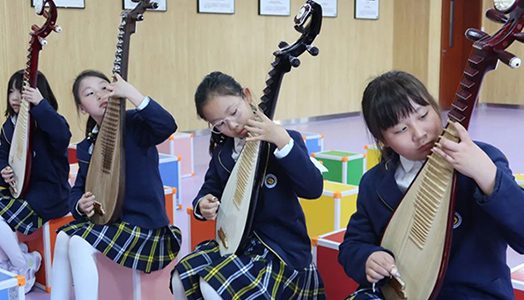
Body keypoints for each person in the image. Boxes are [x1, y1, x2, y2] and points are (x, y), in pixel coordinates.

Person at [338, 70, 524, 299]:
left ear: (436, 109)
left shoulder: (484, 158)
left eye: (423, 115)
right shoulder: (375, 183)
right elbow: (352, 245)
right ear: (383, 140)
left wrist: (486, 175)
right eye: (401, 130)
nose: (419, 134)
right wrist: (367, 257)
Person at [171, 71, 326, 300]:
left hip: (280, 251)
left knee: (212, 288)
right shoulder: (224, 153)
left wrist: (282, 141)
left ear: (247, 96)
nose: (232, 126)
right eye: (219, 124)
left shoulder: (282, 140)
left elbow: (313, 188)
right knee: (180, 278)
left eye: (233, 112)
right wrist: (203, 203)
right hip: (236, 243)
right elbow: (210, 187)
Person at [50, 70, 181, 300]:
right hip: (111, 223)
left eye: (104, 87)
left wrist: (131, 93)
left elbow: (167, 125)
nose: (100, 95)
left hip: (145, 228)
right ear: (82, 108)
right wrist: (81, 205)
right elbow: (77, 191)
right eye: (90, 93)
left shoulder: (134, 124)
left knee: (79, 244)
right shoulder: (87, 146)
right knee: (62, 238)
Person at [0, 70, 71, 293]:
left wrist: (40, 105)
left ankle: (22, 263)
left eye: (21, 91)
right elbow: (2, 156)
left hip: (50, 195)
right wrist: (3, 170)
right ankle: (14, 260)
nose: (14, 97)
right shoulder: (8, 127)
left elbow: (63, 135)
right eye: (11, 91)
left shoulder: (46, 123)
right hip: (23, 191)